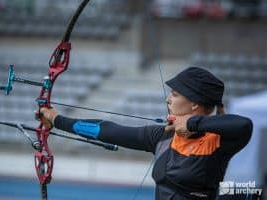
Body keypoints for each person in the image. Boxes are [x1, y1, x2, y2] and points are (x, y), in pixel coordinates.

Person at [40, 67, 253, 200]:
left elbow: (244, 125)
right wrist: (58, 120)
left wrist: (193, 123)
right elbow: (108, 131)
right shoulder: (163, 136)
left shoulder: (217, 141)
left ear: (195, 104)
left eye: (175, 94)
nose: (168, 99)